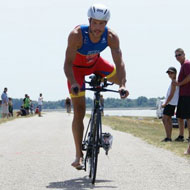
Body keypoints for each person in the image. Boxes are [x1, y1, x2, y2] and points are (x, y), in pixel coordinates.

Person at [64, 4, 129, 169]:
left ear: (106, 23)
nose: (98, 27)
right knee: (79, 111)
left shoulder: (111, 37)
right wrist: (73, 83)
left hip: (96, 65)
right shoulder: (77, 35)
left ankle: (99, 101)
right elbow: (67, 64)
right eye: (95, 23)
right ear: (89, 21)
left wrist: (122, 85)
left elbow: (119, 62)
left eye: (102, 24)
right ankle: (78, 155)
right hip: (76, 71)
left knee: (118, 78)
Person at [172, 48, 190, 144]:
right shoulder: (183, 65)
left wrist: (179, 84)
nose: (177, 57)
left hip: (187, 94)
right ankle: (181, 135)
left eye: (179, 55)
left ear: (184, 54)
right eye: (176, 55)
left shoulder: (186, 64)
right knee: (179, 116)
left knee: (188, 117)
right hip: (183, 95)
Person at [161, 67, 179, 142]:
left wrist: (165, 103)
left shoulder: (174, 82)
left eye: (171, 73)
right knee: (168, 119)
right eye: (169, 73)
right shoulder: (173, 81)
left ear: (175, 73)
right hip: (172, 103)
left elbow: (171, 94)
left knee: (165, 119)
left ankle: (168, 137)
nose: (170, 74)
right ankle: (168, 137)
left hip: (170, 103)